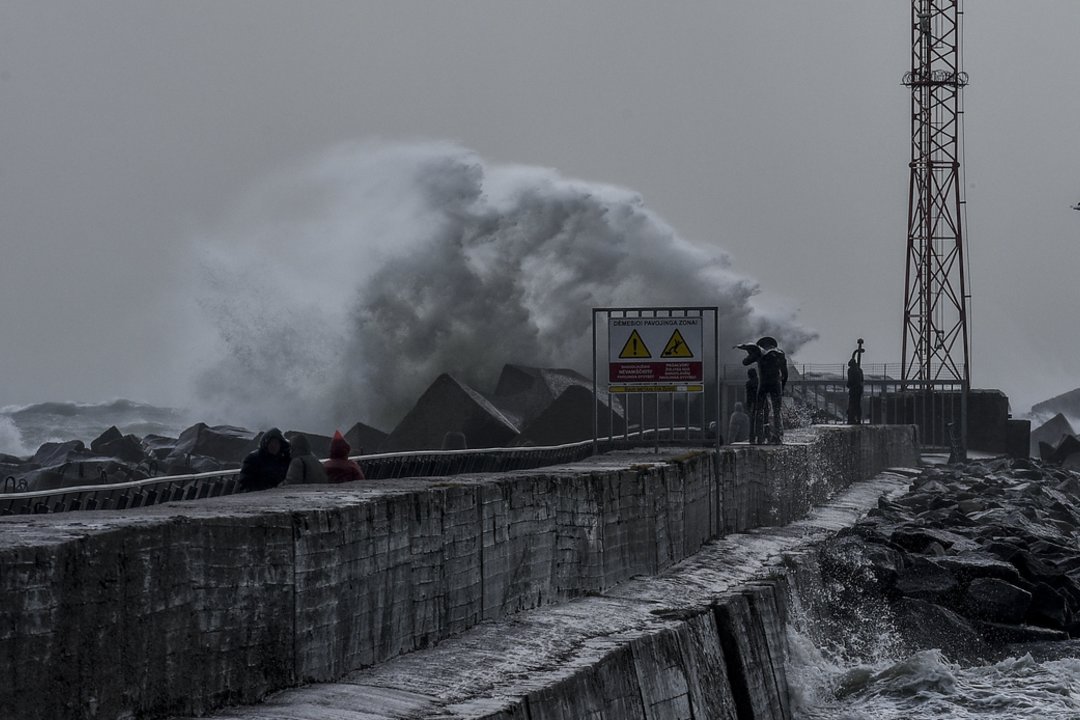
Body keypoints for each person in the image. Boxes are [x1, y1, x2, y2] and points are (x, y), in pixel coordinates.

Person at [754, 336, 788, 444]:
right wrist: (782, 387)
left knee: (759, 411)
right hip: (775, 384)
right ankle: (777, 436)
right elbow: (785, 373)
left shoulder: (759, 352)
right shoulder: (780, 353)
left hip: (763, 383)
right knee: (777, 411)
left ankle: (759, 436)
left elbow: (745, 362)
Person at [238, 428, 291, 492]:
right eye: (271, 443)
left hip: (278, 495)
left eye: (277, 443)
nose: (274, 446)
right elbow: (245, 481)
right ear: (265, 444)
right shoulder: (253, 458)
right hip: (257, 496)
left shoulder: (283, 460)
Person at [846, 359, 865, 425]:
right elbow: (862, 380)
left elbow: (850, 381)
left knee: (852, 404)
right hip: (858, 390)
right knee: (857, 405)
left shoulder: (850, 370)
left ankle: (852, 418)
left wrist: (849, 385)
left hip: (853, 390)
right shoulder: (859, 370)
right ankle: (858, 419)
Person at [745, 368, 759, 444]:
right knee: (761, 420)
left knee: (752, 421)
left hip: (753, 403)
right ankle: (761, 436)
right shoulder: (760, 381)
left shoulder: (749, 383)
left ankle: (752, 438)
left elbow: (748, 395)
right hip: (761, 403)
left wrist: (748, 405)